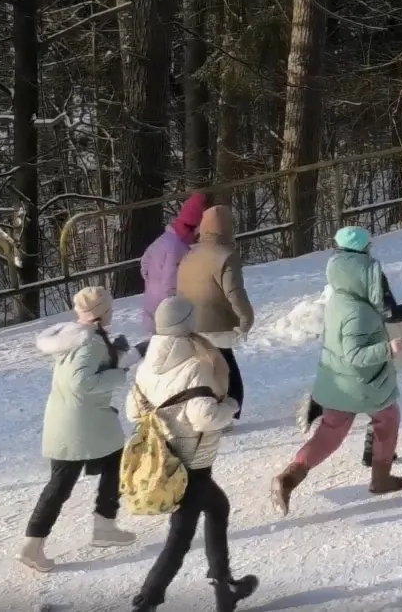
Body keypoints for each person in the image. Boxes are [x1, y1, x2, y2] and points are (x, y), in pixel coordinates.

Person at [127, 297, 256, 612]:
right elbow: (204, 417)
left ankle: (225, 587)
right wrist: (231, 405)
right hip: (192, 465)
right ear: (187, 323)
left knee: (218, 508)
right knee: (180, 538)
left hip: (165, 458)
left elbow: (133, 411)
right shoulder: (196, 364)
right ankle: (147, 601)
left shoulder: (147, 364)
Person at [270, 234, 402, 514]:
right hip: (365, 384)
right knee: (387, 419)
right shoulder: (359, 312)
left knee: (330, 433)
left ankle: (290, 476)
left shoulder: (339, 300)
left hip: (336, 382)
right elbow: (355, 355)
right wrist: (388, 349)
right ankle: (380, 479)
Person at [16, 287, 140, 573]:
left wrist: (119, 356)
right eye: (109, 309)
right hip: (83, 423)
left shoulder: (74, 336)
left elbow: (86, 370)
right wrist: (119, 373)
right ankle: (38, 544)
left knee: (101, 466)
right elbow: (81, 382)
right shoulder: (90, 342)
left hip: (69, 420)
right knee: (65, 482)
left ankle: (100, 527)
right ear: (102, 313)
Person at [293, 227, 402, 467]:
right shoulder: (370, 270)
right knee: (392, 369)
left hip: (340, 328)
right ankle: (373, 449)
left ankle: (320, 400)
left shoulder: (335, 266)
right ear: (365, 247)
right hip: (372, 328)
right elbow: (389, 312)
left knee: (344, 369)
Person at [175, 204, 255, 419]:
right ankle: (228, 414)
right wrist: (246, 319)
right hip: (217, 321)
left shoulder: (189, 255)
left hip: (189, 321)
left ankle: (199, 412)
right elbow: (234, 292)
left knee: (202, 371)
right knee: (226, 369)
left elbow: (179, 288)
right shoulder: (226, 255)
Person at [139, 191, 207, 327]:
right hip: (167, 318)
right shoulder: (177, 248)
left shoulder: (163, 239)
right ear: (195, 227)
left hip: (152, 307)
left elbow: (144, 265)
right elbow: (170, 286)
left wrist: (154, 284)